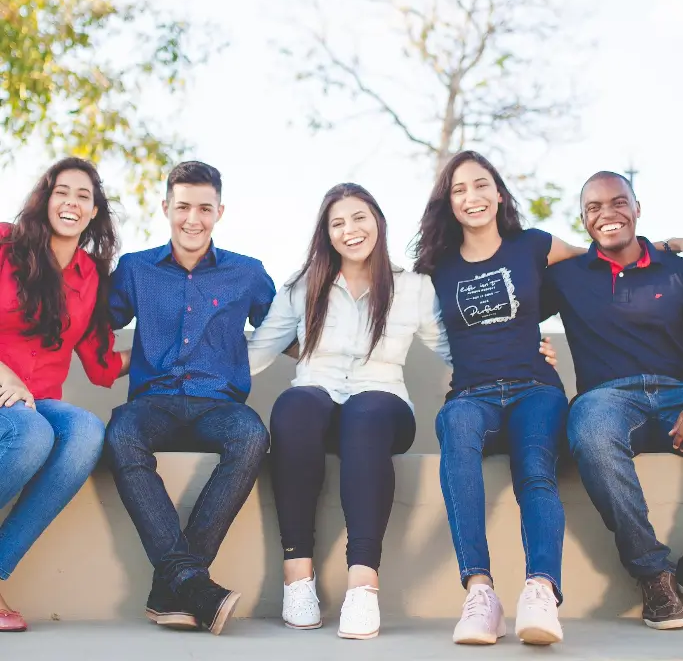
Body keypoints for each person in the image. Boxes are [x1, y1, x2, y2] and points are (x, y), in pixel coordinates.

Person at [247, 181, 556, 640]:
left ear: (378, 223)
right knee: (293, 406)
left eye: (359, 218)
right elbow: (257, 352)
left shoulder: (413, 288)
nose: (350, 230)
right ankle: (298, 577)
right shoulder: (302, 286)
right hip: (316, 400)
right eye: (337, 223)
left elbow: (459, 349)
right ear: (326, 234)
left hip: (382, 405)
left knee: (366, 415)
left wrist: (521, 354)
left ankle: (363, 584)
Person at [414, 150, 584, 647]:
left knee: (534, 467)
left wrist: (661, 246)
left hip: (536, 389)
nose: (473, 197)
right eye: (460, 189)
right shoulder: (435, 267)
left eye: (481, 185)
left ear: (499, 193)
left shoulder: (532, 245)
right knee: (458, 429)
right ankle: (480, 592)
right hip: (472, 394)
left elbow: (600, 262)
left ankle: (540, 590)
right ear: (448, 203)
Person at [104, 161, 275, 636]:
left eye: (204, 208)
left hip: (218, 406)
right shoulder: (136, 268)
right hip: (151, 403)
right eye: (183, 207)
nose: (192, 219)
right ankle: (193, 584)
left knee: (252, 435)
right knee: (120, 434)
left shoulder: (247, 273)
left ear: (220, 211)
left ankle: (175, 586)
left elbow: (287, 326)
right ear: (166, 208)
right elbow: (94, 322)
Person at [541, 170, 683, 630]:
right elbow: (507, 304)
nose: (608, 214)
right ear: (583, 220)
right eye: (594, 208)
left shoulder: (676, 270)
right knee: (592, 433)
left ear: (637, 208)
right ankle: (654, 576)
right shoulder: (566, 276)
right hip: (608, 399)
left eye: (618, 202)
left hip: (676, 393)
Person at [0, 158, 130, 632]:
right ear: (45, 198)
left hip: (38, 401)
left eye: (83, 196)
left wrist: (170, 347)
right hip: (7, 398)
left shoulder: (91, 274)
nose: (71, 202)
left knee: (86, 433)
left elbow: (101, 366)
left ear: (94, 212)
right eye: (63, 191)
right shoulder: (4, 243)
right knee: (33, 434)